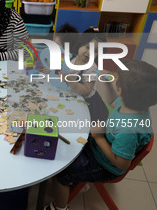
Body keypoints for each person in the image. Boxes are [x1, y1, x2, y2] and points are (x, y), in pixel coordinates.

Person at [44, 59, 157, 210]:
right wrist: (109, 85)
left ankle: (59, 207)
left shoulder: (127, 130)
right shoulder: (135, 104)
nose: (114, 77)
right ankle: (79, 178)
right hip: (105, 144)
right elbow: (112, 102)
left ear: (121, 90)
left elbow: (121, 164)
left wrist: (99, 138)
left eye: (117, 78)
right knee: (68, 143)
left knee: (60, 175)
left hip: (105, 165)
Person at [59, 28, 109, 123]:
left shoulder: (91, 69)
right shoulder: (72, 58)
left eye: (95, 51)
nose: (89, 53)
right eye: (87, 47)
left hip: (87, 104)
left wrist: (69, 79)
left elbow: (86, 91)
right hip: (73, 97)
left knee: (84, 125)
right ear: (80, 44)